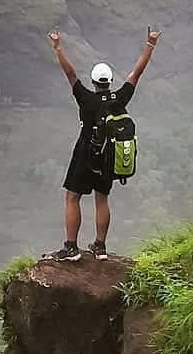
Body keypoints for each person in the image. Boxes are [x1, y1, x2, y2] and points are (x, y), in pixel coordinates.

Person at [45, 27, 161, 261]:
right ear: (109, 82)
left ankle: (71, 248)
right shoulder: (119, 98)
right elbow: (136, 73)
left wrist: (58, 48)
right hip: (108, 157)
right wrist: (150, 44)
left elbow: (70, 74)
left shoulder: (86, 98)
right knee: (102, 198)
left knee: (72, 197)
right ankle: (100, 247)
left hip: (85, 154)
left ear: (94, 82)